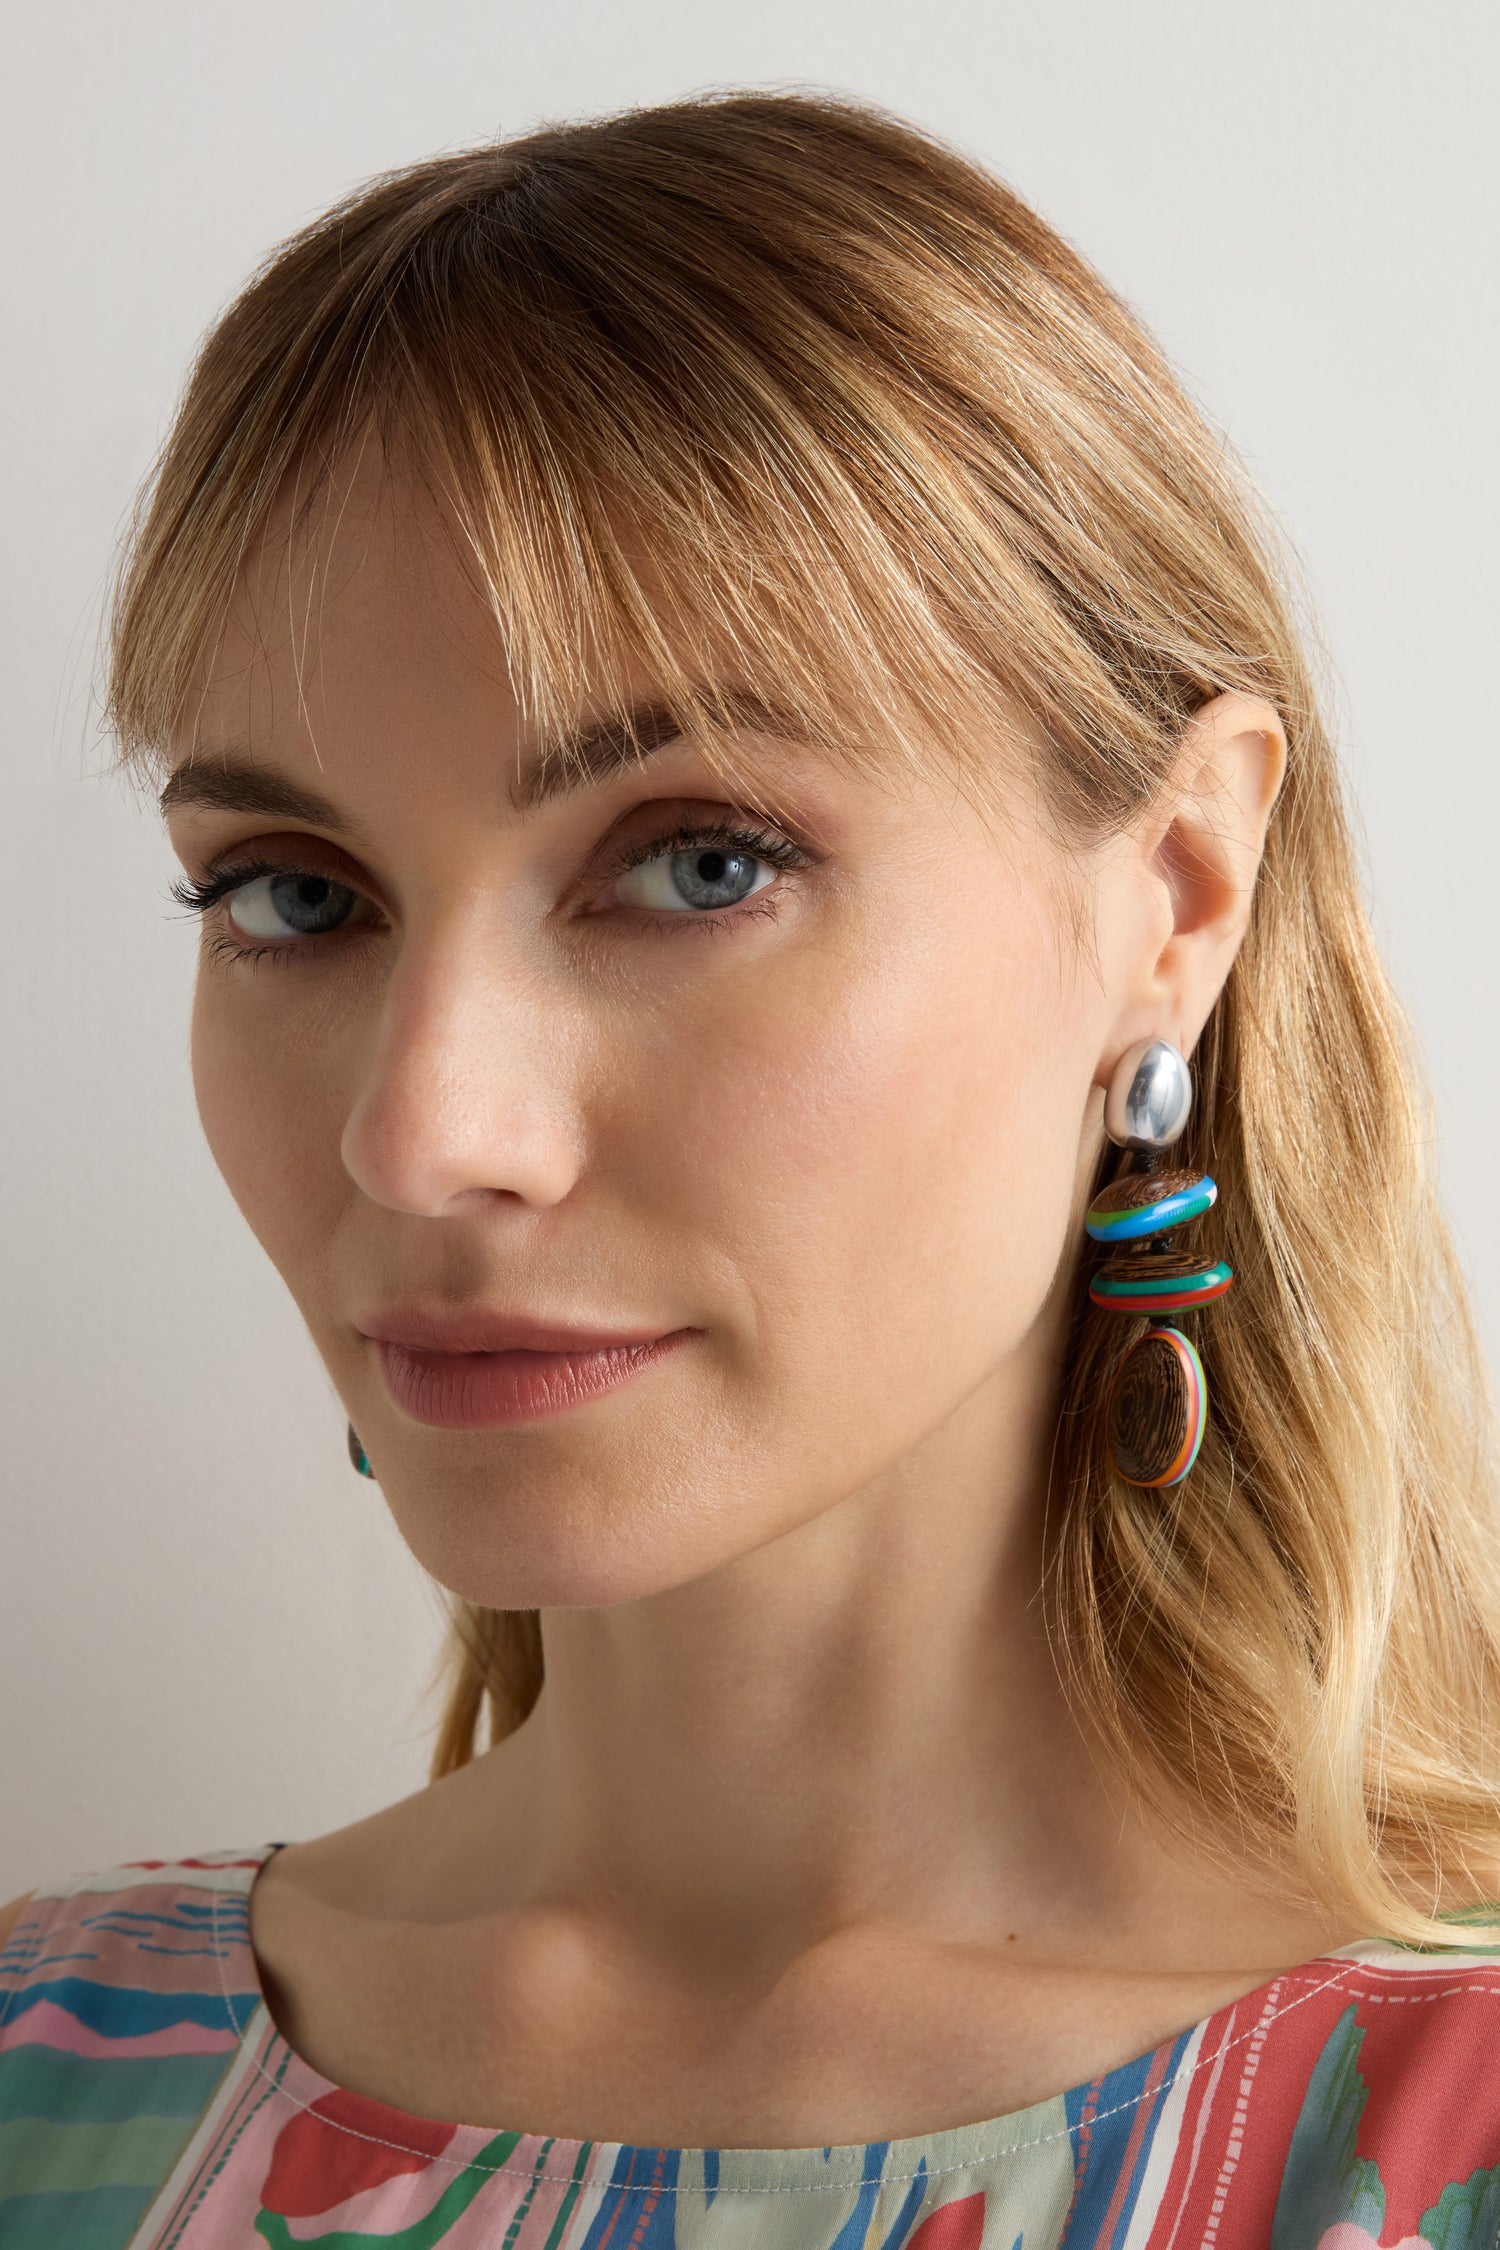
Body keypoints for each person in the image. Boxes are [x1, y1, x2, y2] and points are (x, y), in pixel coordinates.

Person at [3, 89, 1498, 2248]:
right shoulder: (44, 2065)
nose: (419, 1135)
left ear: (1176, 893)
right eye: (295, 895)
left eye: (700, 863)